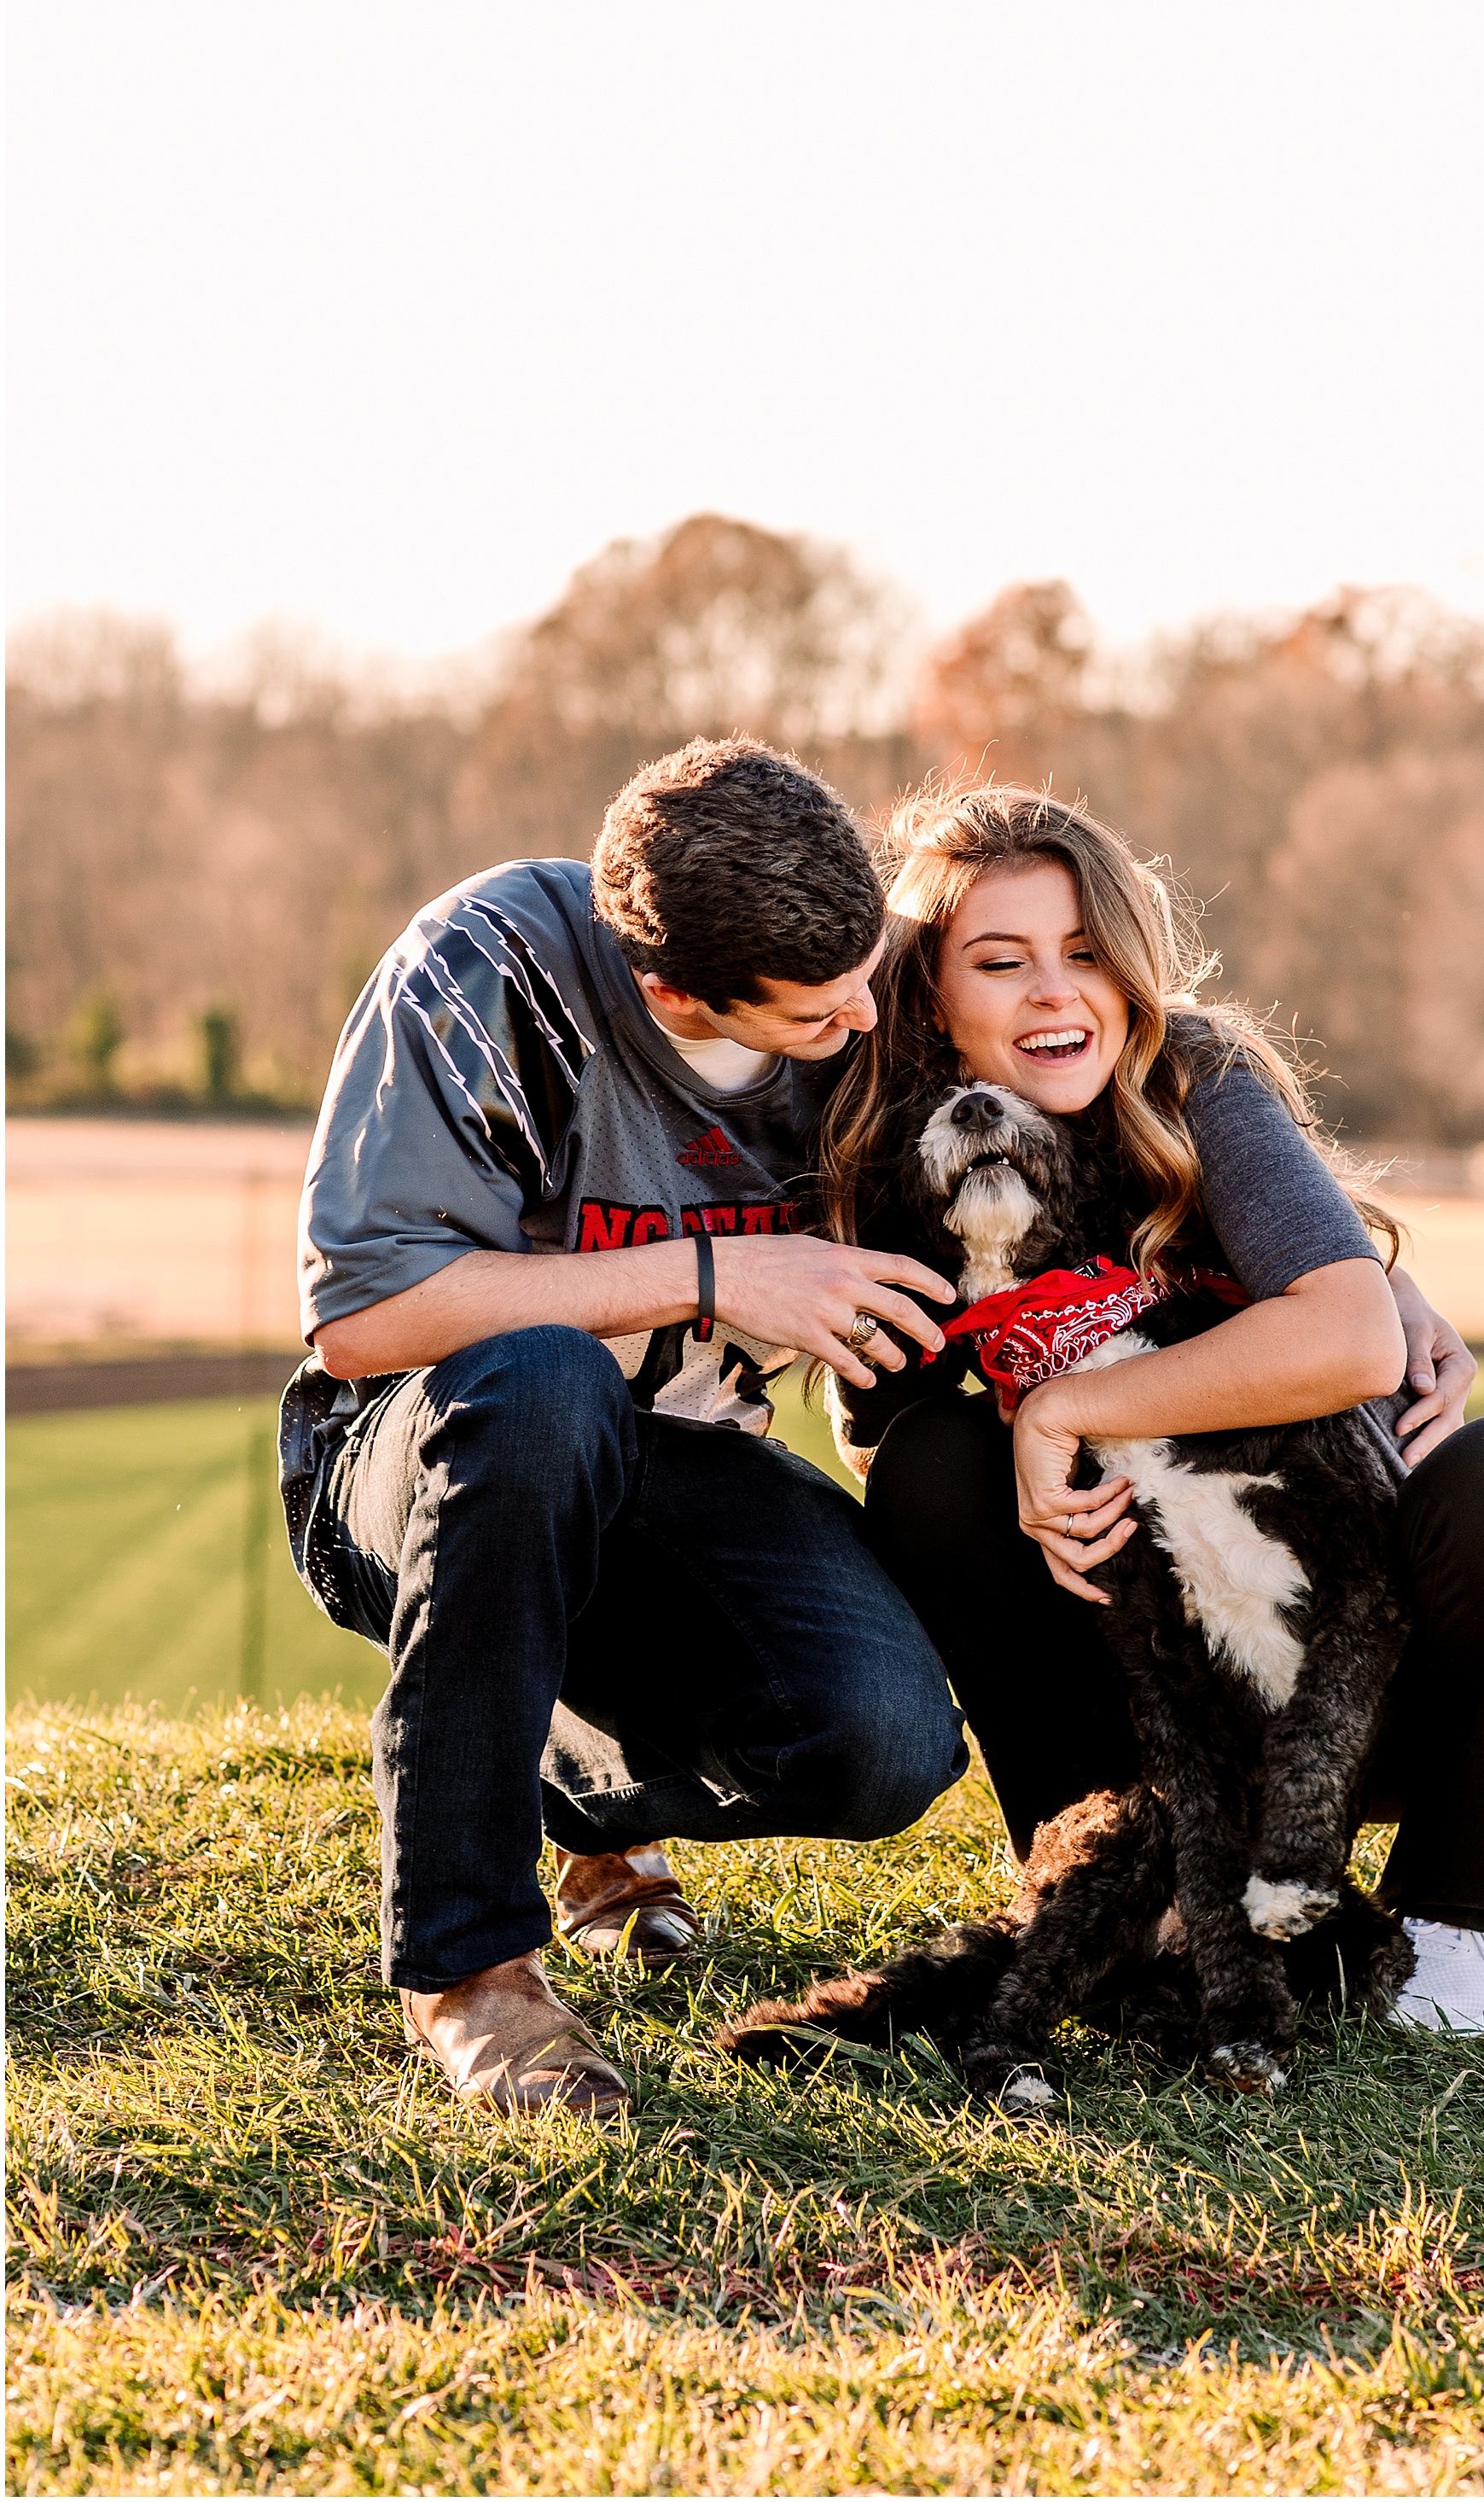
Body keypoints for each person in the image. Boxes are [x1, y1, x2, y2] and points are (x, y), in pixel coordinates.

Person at [821, 783, 1484, 2035]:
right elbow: (874, 1430)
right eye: (1001, 960)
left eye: (1085, 953)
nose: (1053, 993)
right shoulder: (905, 1142)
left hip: (1360, 1662)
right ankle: (1112, 1871)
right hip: (1161, 1692)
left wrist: (1069, 1402)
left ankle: (1457, 1908)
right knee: (928, 1469)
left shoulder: (1197, 1077)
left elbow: (1352, 1335)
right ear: (931, 998)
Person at [280, 736, 970, 2119]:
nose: (861, 1028)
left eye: (864, 986)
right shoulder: (485, 971)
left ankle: (577, 1798)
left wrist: (1358, 1276)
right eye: (814, 1016)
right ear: (669, 990)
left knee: (886, 1741)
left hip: (687, 1451)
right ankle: (472, 1972)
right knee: (544, 1380)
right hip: (424, 1448)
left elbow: (1123, 1063)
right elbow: (362, 1319)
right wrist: (715, 1276)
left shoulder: (863, 988)